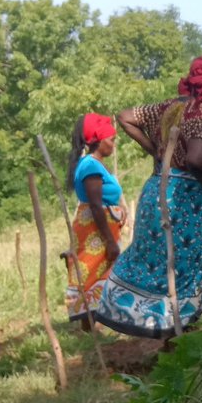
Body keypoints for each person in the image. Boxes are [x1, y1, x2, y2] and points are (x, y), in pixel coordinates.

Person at [92, 56, 202, 341]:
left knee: (154, 262)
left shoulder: (170, 107)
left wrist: (154, 149)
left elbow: (125, 116)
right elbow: (195, 159)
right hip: (187, 205)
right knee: (183, 270)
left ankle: (158, 329)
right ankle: (173, 338)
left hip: (157, 193)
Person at [63, 112, 126, 330]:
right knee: (90, 273)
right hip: (95, 231)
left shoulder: (93, 164)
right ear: (99, 141)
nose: (113, 145)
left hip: (98, 229)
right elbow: (96, 206)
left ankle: (92, 325)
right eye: (111, 140)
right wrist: (109, 240)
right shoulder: (90, 166)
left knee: (95, 274)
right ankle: (88, 326)